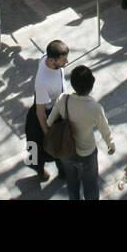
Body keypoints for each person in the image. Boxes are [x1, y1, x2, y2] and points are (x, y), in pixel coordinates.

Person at [47, 64, 115, 200]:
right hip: (87, 154)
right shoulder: (95, 108)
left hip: (66, 151)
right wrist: (110, 144)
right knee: (90, 186)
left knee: (72, 184)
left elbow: (49, 122)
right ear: (91, 86)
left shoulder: (63, 99)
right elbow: (104, 129)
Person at [24, 40, 69, 182]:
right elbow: (40, 113)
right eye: (63, 60)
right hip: (45, 114)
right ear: (52, 60)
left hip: (57, 109)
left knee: (61, 146)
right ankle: (39, 170)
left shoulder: (47, 57)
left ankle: (64, 172)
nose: (67, 62)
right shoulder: (43, 83)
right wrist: (48, 133)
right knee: (38, 148)